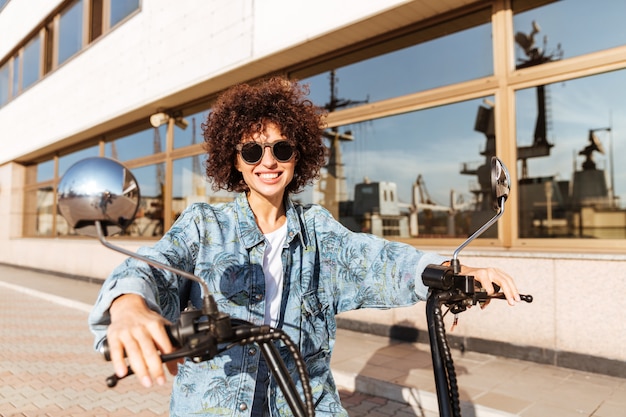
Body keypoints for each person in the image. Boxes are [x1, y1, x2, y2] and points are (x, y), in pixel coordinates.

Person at [89, 77, 521, 417]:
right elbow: (155, 266)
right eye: (252, 151)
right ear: (234, 161)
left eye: (280, 147)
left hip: (305, 405)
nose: (268, 161)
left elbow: (378, 259)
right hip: (214, 405)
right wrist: (129, 307)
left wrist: (452, 271)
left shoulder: (318, 231)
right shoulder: (205, 225)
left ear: (298, 155)